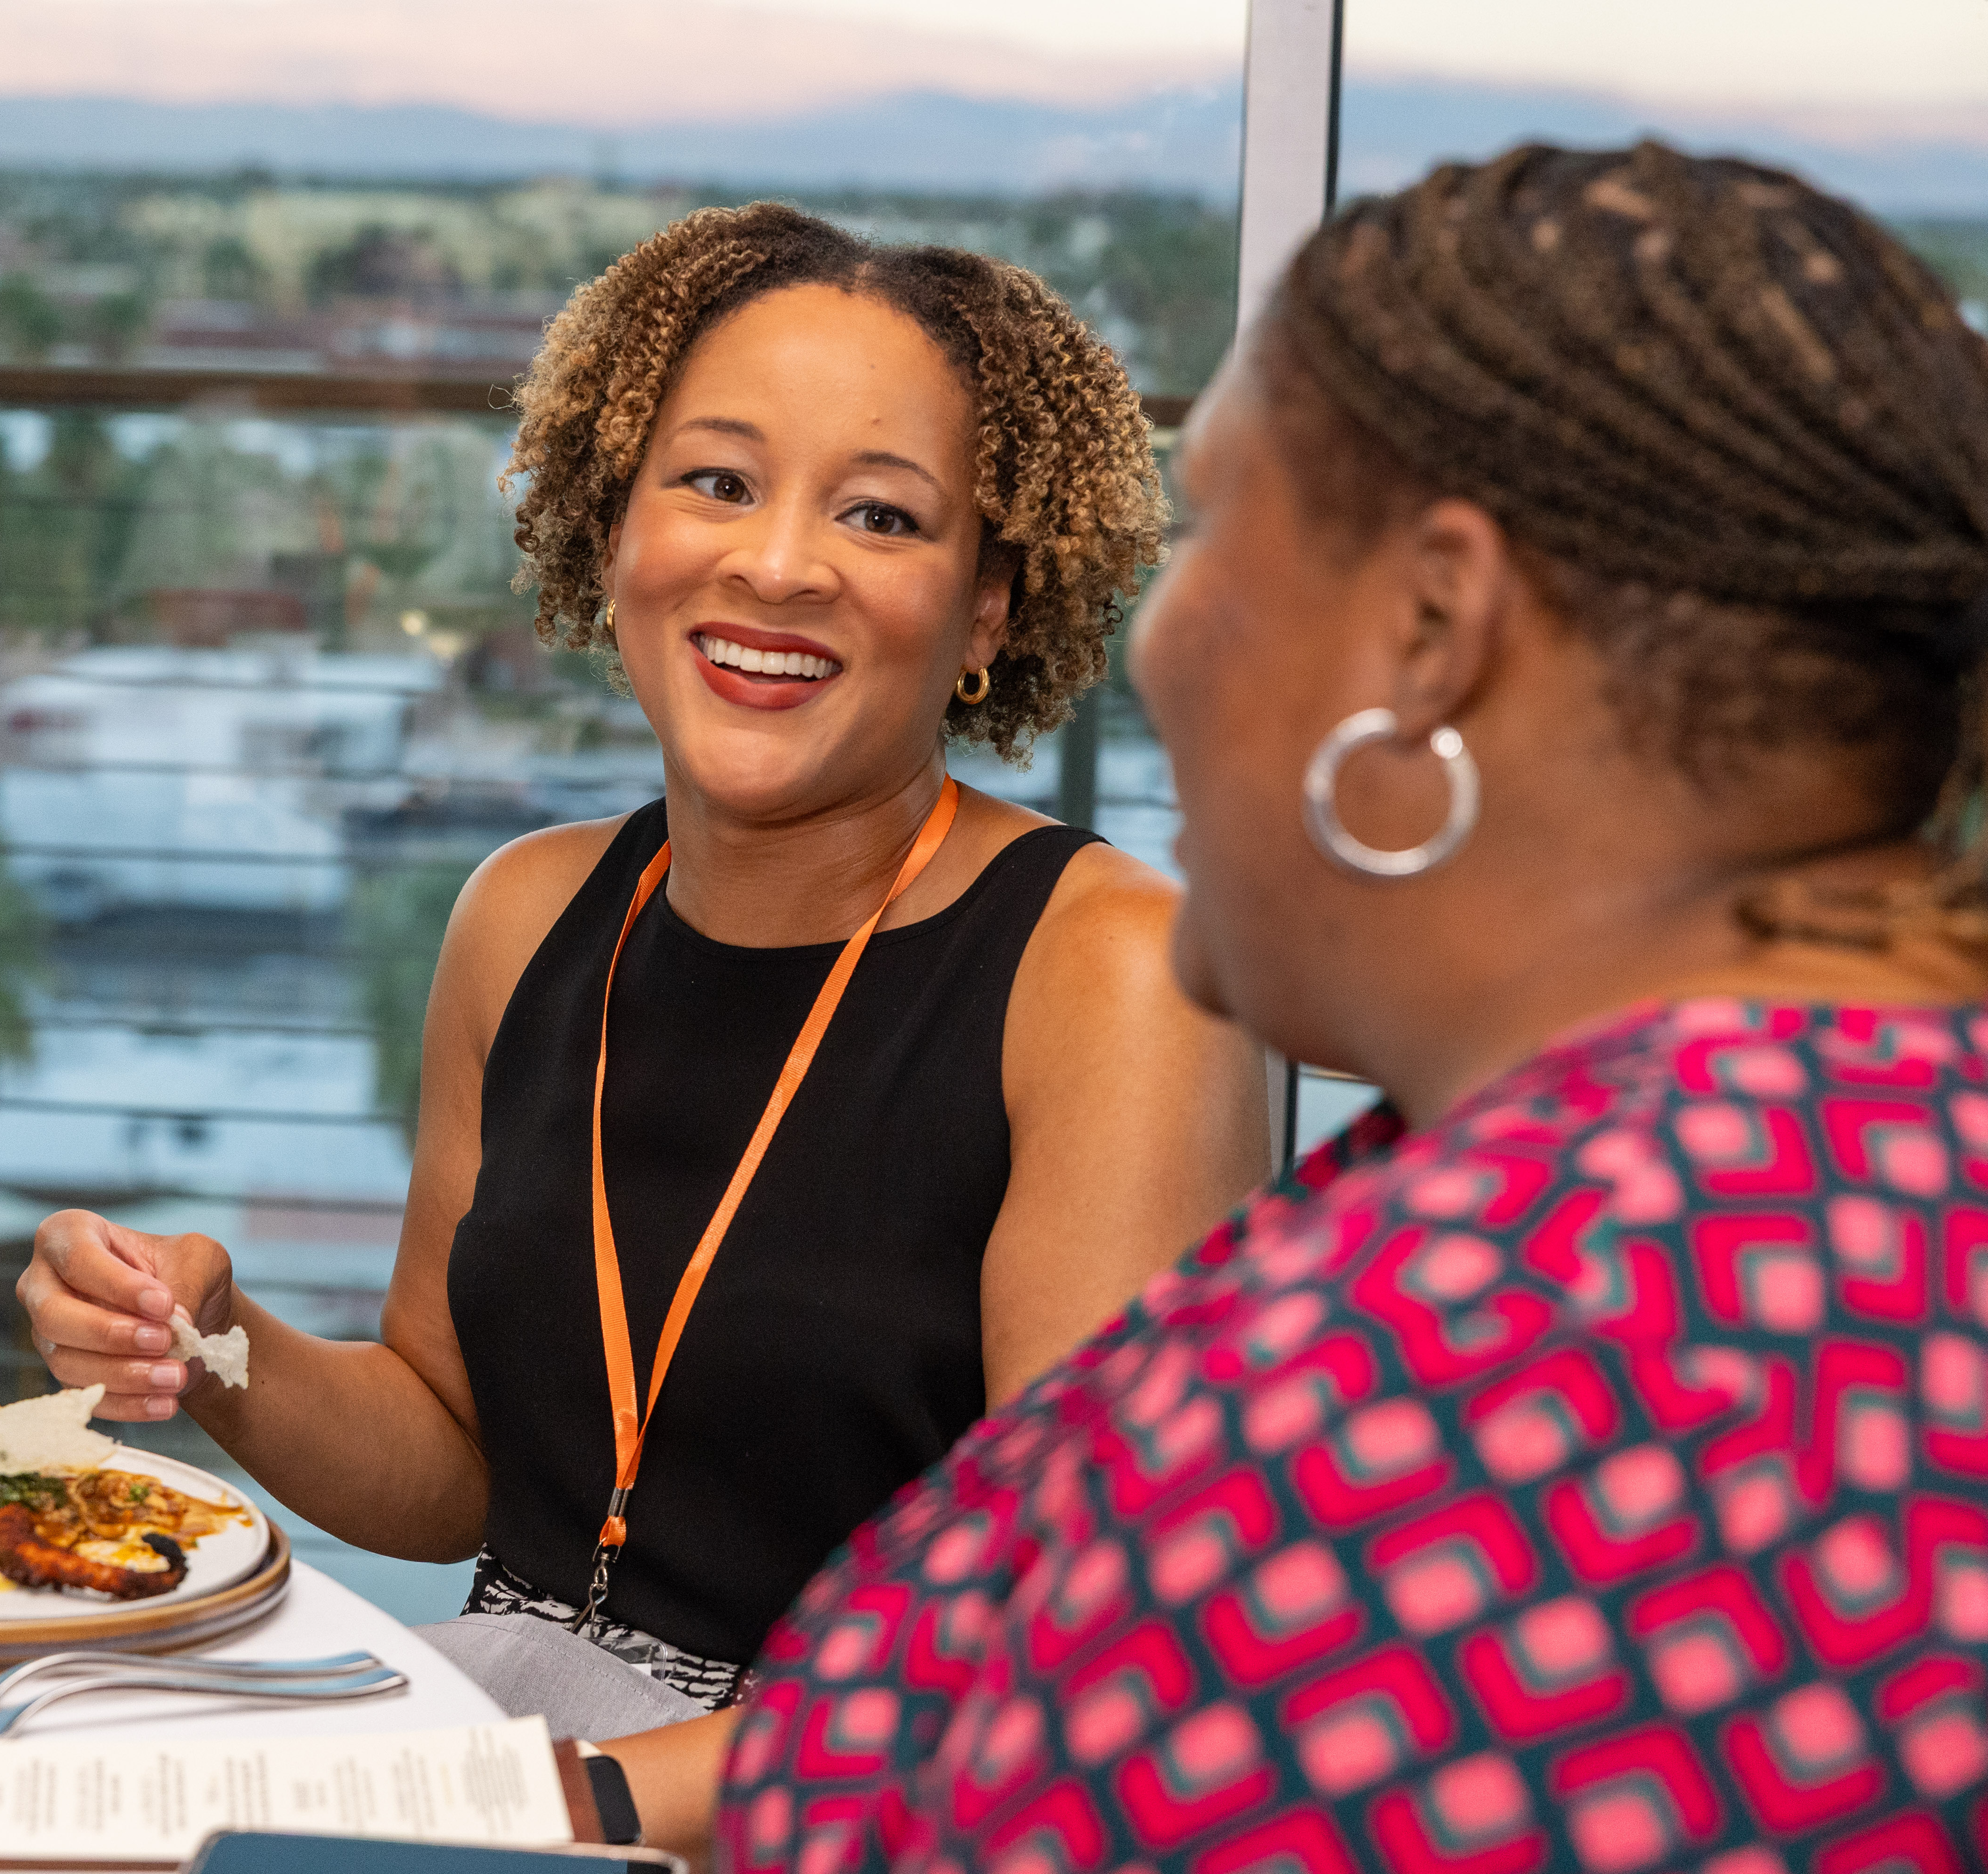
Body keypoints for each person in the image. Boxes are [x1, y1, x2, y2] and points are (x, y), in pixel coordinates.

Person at [719, 141, 1988, 1871]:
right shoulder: (1826, 1146)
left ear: (1432, 629)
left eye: (1223, 524)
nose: (1161, 644)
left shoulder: (1480, 1378)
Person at [22, 202, 1271, 1856]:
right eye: (718, 480)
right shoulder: (524, 913)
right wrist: (217, 1350)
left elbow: (1051, 1640)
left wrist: (565, 1802)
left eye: (883, 514)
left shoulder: (1113, 973)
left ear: (987, 615)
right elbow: (450, 1455)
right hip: (498, 1747)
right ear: (612, 530)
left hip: (842, 1816)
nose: (776, 562)